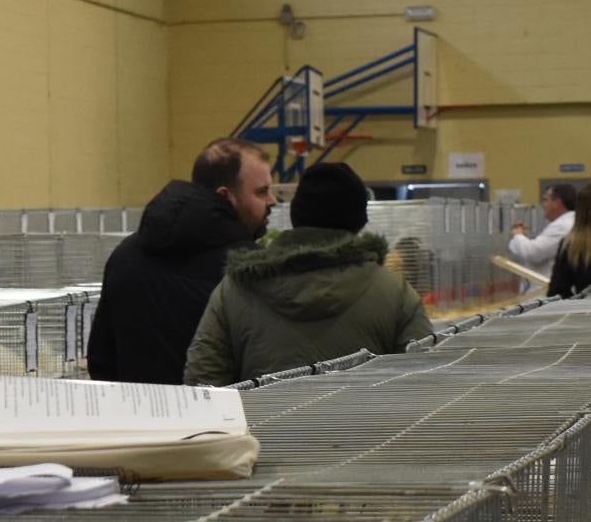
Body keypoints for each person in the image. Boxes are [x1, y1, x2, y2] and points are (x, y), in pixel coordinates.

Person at [185, 162, 432, 385]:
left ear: (296, 216)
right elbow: (424, 377)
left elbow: (204, 381)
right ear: (360, 220)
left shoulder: (236, 288)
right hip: (370, 433)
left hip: (263, 432)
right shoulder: (394, 291)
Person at [88, 139, 275, 383]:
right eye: (261, 191)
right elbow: (263, 364)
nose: (272, 200)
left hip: (137, 414)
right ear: (226, 196)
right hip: (221, 415)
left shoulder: (125, 253)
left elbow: (101, 359)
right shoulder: (247, 265)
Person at [507, 185, 572, 275]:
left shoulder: (562, 226)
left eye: (545, 200)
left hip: (547, 285)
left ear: (557, 203)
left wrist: (518, 235)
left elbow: (532, 253)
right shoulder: (565, 223)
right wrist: (522, 238)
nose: (543, 205)